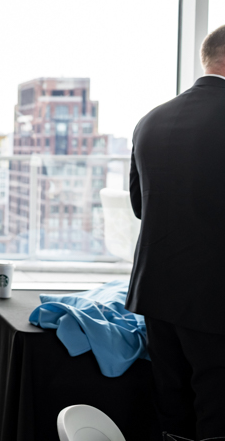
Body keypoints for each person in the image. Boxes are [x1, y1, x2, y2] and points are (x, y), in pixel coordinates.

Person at [126, 24, 225, 439]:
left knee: (174, 406)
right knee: (219, 410)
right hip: (215, 294)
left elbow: (138, 207)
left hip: (157, 290)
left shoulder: (151, 119)